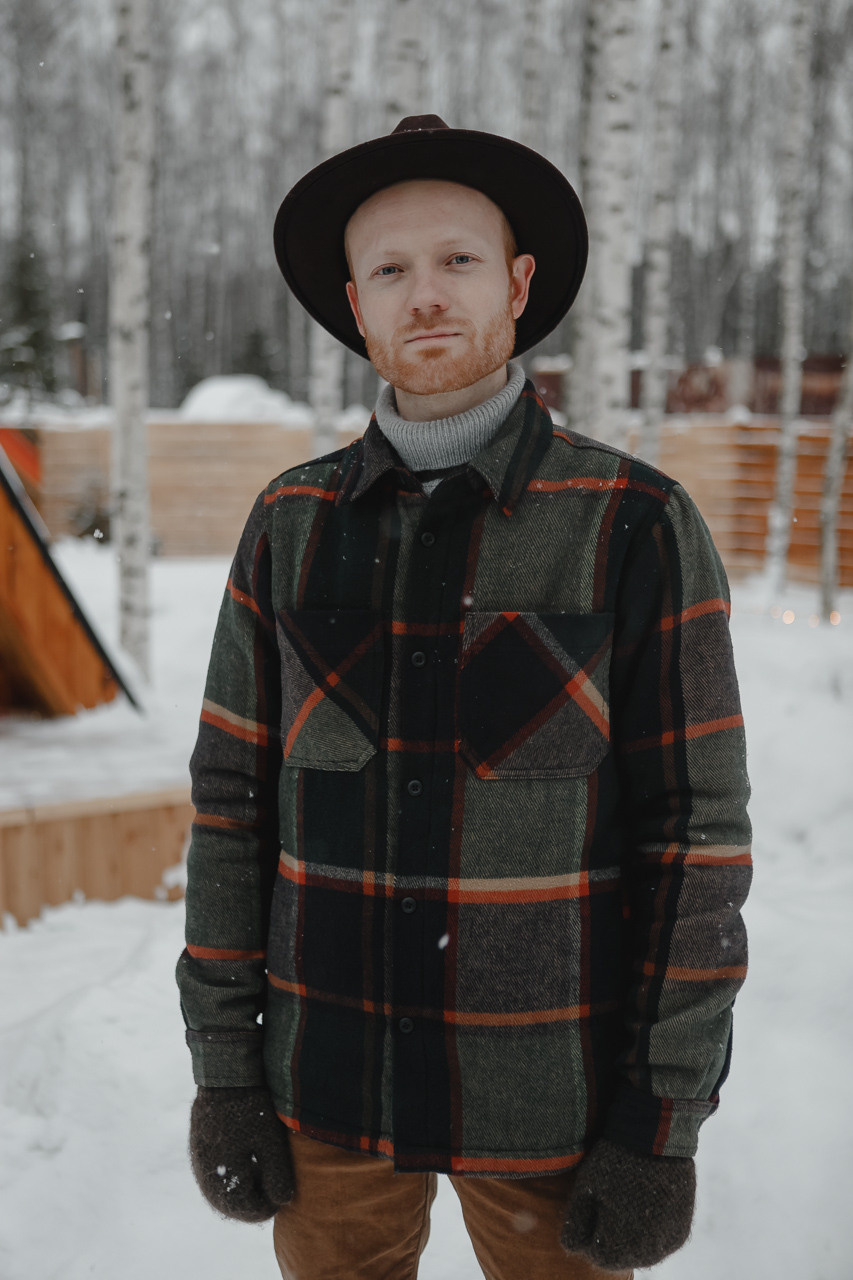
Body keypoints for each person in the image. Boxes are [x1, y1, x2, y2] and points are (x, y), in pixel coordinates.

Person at [176, 116, 752, 1279]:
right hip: (325, 1091)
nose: (424, 294)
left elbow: (695, 840)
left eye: (457, 260)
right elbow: (233, 807)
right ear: (354, 301)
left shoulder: (633, 524)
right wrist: (225, 1071)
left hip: (552, 1102)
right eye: (390, 269)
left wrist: (658, 1124)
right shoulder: (291, 525)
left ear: (518, 281)